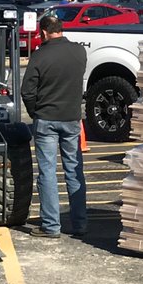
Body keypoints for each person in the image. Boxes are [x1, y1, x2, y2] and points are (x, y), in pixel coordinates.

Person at [20, 13, 88, 238]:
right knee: (74, 169)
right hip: (71, 118)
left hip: (47, 119)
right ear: (62, 29)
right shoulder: (79, 52)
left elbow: (27, 91)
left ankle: (51, 226)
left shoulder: (39, 56)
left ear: (43, 33)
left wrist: (35, 112)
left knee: (47, 172)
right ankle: (80, 223)